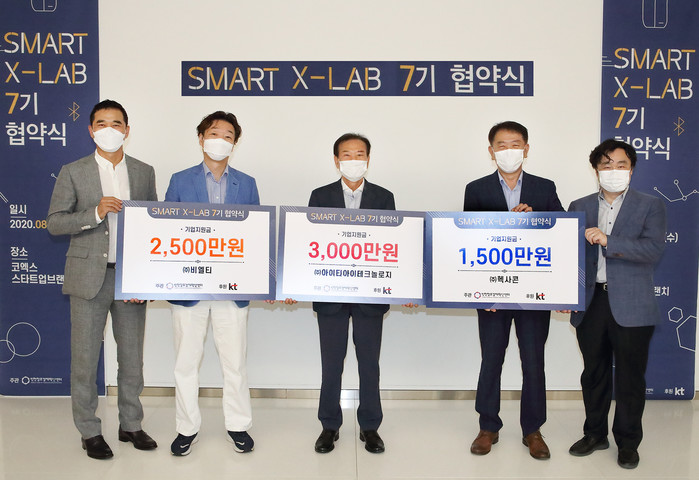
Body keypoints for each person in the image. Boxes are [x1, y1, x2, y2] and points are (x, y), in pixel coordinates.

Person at [47, 99, 158, 459]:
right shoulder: (73, 171)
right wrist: (94, 213)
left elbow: (153, 228)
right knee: (84, 358)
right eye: (102, 123)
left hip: (130, 278)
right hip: (88, 277)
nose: (109, 130)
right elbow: (55, 222)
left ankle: (131, 424)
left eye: (116, 123)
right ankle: (89, 431)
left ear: (127, 130)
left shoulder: (143, 172)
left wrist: (146, 279)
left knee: (132, 358)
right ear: (91, 130)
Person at [463, 121, 563, 460]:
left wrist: (536, 218)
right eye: (502, 145)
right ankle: (487, 426)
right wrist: (480, 290)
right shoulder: (476, 189)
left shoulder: (544, 187)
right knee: (491, 359)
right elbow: (468, 241)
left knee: (533, 361)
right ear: (491, 151)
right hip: (492, 294)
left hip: (533, 294)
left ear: (527, 148)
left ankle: (532, 430)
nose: (509, 151)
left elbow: (562, 230)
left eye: (515, 144)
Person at [165, 111, 259, 457]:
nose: (220, 140)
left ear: (235, 142)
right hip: (189, 288)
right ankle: (186, 427)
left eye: (228, 135)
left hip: (232, 290)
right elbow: (165, 229)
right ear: (201, 138)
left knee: (235, 363)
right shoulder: (179, 180)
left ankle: (238, 425)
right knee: (185, 363)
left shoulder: (246, 183)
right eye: (214, 133)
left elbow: (256, 233)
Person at [567, 139, 666, 469]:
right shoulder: (579, 205)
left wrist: (609, 240)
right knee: (593, 373)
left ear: (631, 169)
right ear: (596, 170)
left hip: (634, 304)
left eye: (621, 164)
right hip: (591, 301)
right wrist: (565, 294)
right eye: (606, 164)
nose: (614, 170)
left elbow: (653, 250)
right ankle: (595, 434)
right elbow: (568, 256)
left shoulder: (650, 205)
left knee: (630, 377)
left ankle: (628, 442)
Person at [306, 133, 395, 454]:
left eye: (360, 154)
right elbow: (309, 243)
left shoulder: (384, 197)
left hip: (370, 296)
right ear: (336, 160)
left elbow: (393, 245)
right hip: (331, 295)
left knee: (369, 364)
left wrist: (406, 286)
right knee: (331, 364)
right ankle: (329, 425)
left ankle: (370, 426)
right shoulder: (320, 196)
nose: (353, 160)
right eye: (347, 154)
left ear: (368, 159)